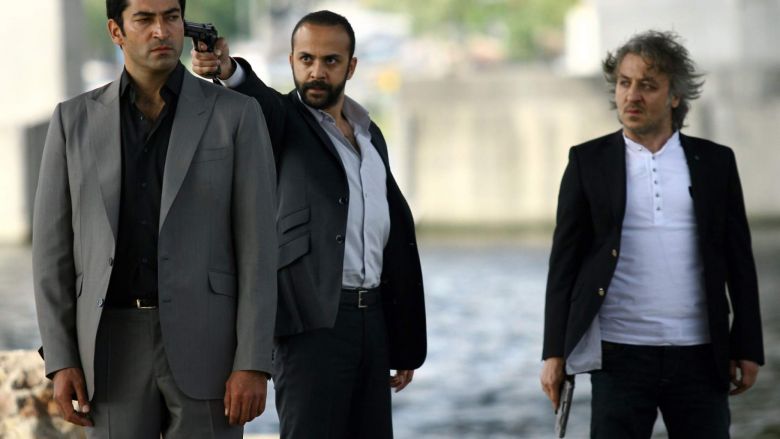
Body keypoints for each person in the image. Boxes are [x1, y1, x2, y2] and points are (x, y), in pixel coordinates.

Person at [32, 0, 278, 437]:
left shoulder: (237, 115)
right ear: (116, 31)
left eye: (171, 17)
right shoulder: (73, 121)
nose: (161, 31)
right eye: (144, 19)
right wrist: (61, 357)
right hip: (110, 348)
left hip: (210, 344)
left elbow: (259, 249)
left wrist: (253, 362)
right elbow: (51, 255)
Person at [191, 9, 426, 439]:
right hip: (311, 323)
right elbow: (258, 99)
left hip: (373, 320)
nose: (317, 71)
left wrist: (402, 336)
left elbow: (389, 234)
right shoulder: (284, 120)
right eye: (306, 59)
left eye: (330, 61)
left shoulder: (370, 134)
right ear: (292, 61)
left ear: (351, 66)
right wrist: (226, 69)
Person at [540, 30, 764, 438]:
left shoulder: (716, 162)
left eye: (647, 85)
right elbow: (564, 265)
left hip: (700, 353)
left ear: (675, 96)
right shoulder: (587, 162)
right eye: (624, 83)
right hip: (618, 355)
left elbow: (739, 262)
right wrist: (554, 353)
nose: (632, 96)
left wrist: (747, 347)